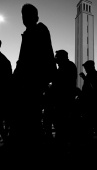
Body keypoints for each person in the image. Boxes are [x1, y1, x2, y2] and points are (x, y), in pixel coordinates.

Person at [11, 3, 56, 149]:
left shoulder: (37, 31)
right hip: (31, 84)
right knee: (30, 121)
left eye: (27, 14)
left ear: (35, 17)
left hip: (30, 84)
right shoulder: (32, 32)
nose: (24, 18)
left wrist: (17, 77)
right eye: (23, 15)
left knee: (28, 122)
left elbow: (27, 61)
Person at [0, 40, 12, 143]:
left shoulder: (3, 60)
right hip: (5, 94)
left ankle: (5, 138)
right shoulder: (5, 61)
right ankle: (5, 138)